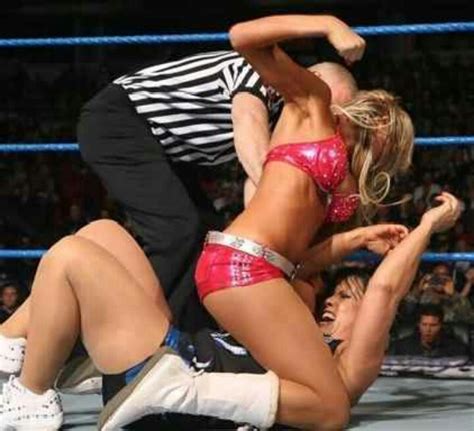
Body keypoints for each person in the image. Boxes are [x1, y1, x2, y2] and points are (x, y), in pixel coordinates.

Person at [0, 218, 407, 430]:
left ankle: (33, 396)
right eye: (334, 294)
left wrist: (426, 227)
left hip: (157, 384)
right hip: (169, 347)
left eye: (347, 297)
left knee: (68, 256)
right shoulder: (297, 323)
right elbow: (298, 267)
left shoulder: (342, 370)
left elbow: (385, 291)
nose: (332, 301)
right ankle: (8, 346)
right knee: (102, 232)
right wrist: (356, 239)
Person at [78, 37, 358, 331]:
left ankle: (190, 338)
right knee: (178, 231)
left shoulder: (284, 117)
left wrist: (266, 243)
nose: (324, 122)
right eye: (328, 109)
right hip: (119, 121)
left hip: (164, 149)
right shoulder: (259, 73)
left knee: (209, 236)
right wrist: (279, 200)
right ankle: (129, 331)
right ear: (313, 79)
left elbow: (261, 183)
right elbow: (248, 126)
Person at [389, 304, 469, 357]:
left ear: (441, 325)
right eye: (424, 324)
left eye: (433, 325)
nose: (428, 329)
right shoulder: (402, 347)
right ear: (419, 325)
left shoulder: (457, 349)